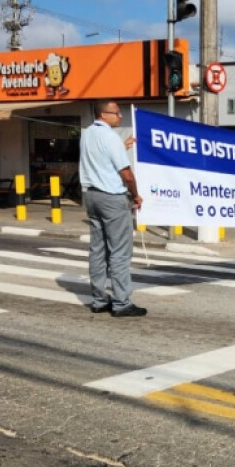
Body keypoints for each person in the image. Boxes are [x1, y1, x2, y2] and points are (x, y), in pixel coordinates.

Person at [79, 100, 147, 318]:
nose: (121, 117)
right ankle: (121, 302)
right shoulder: (110, 137)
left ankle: (99, 299)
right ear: (104, 114)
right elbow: (126, 173)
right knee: (119, 251)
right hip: (111, 198)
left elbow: (100, 158)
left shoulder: (87, 134)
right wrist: (135, 194)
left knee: (98, 249)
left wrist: (122, 145)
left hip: (91, 196)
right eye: (117, 113)